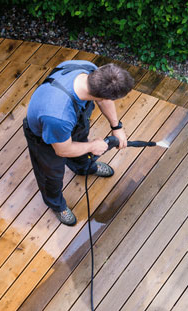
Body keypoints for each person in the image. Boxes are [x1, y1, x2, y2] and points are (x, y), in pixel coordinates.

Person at [23, 60, 134, 226]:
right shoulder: (58, 116)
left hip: (73, 123)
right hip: (46, 137)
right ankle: (56, 204)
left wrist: (116, 126)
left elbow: (103, 100)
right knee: (51, 175)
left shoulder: (90, 71)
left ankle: (84, 168)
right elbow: (63, 150)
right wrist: (92, 146)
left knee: (82, 148)